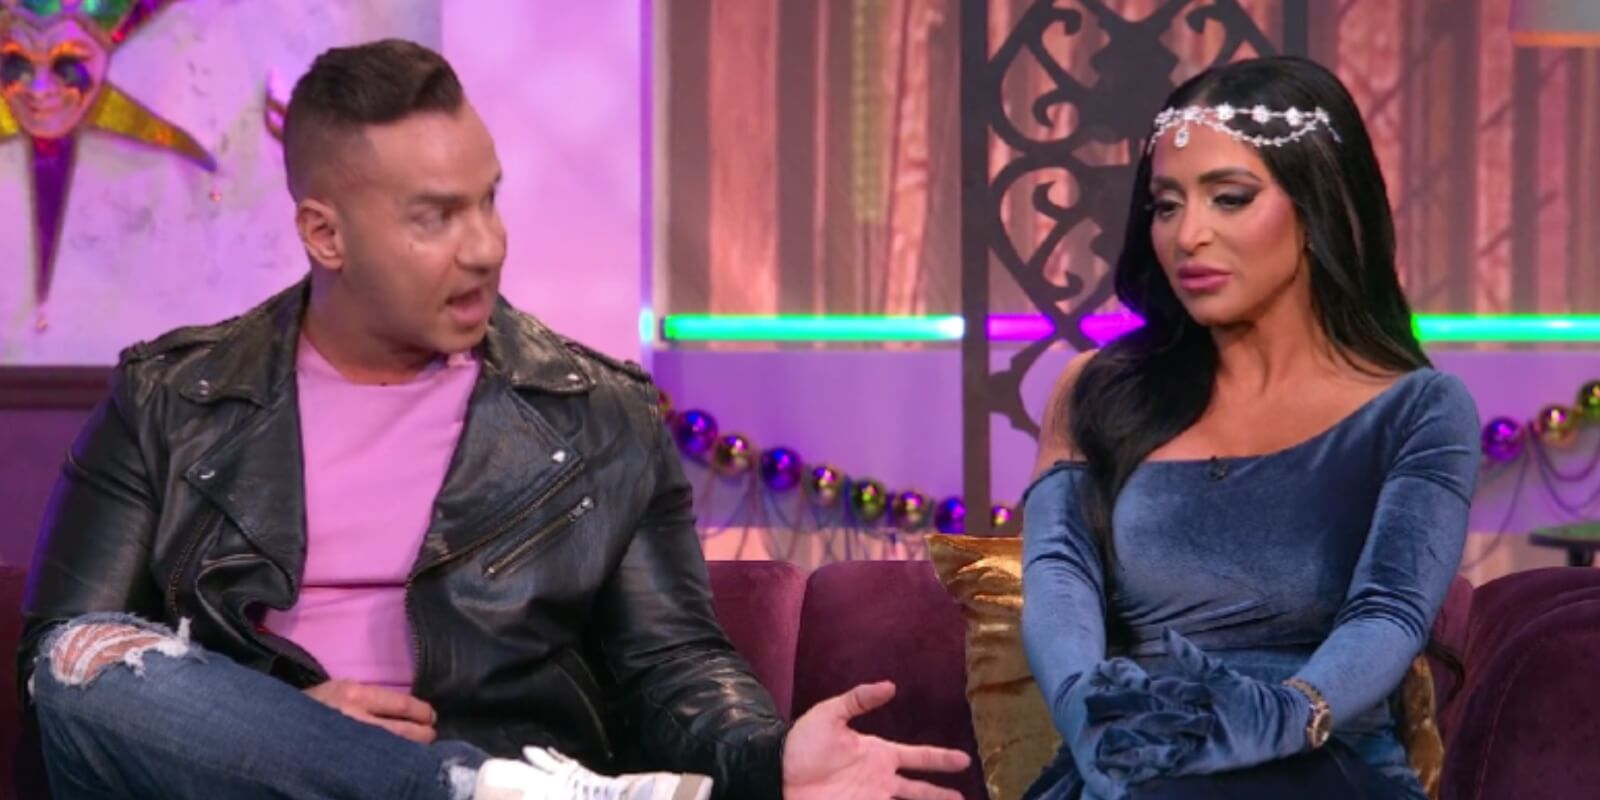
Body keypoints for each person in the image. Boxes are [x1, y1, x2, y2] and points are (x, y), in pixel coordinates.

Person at [18, 39, 970, 800]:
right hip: (243, 785)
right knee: (76, 661)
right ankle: (467, 791)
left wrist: (766, 758)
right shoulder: (170, 397)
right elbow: (60, 667)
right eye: (435, 217)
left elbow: (673, 664)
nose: (484, 247)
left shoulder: (597, 412)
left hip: (511, 749)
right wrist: (289, 728)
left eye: (488, 201)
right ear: (325, 235)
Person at [1018, 56, 1480, 800]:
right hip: (1136, 761)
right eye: (1166, 205)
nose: (1188, 235)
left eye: (1229, 198)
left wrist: (1276, 721)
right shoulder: (1096, 391)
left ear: (1318, 207)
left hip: (1323, 759)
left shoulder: (1420, 409)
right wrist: (1088, 722)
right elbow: (1058, 578)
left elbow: (1389, 612)